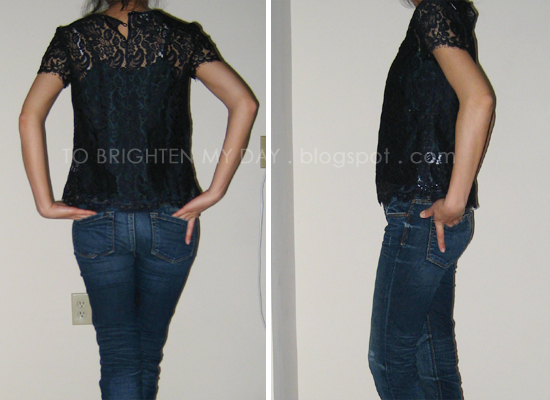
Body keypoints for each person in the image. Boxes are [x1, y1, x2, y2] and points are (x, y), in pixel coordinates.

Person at [18, 0, 258, 399]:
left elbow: (29, 116)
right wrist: (214, 192)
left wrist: (45, 202)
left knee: (120, 356)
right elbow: (244, 103)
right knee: (146, 355)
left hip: (98, 217)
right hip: (172, 217)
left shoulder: (74, 39)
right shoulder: (181, 37)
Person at [368, 0, 495, 398]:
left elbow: (480, 100)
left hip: (421, 214)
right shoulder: (449, 15)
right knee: (431, 355)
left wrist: (456, 199)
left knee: (388, 360)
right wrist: (457, 194)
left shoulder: (434, 11)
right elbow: (479, 105)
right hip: (430, 214)